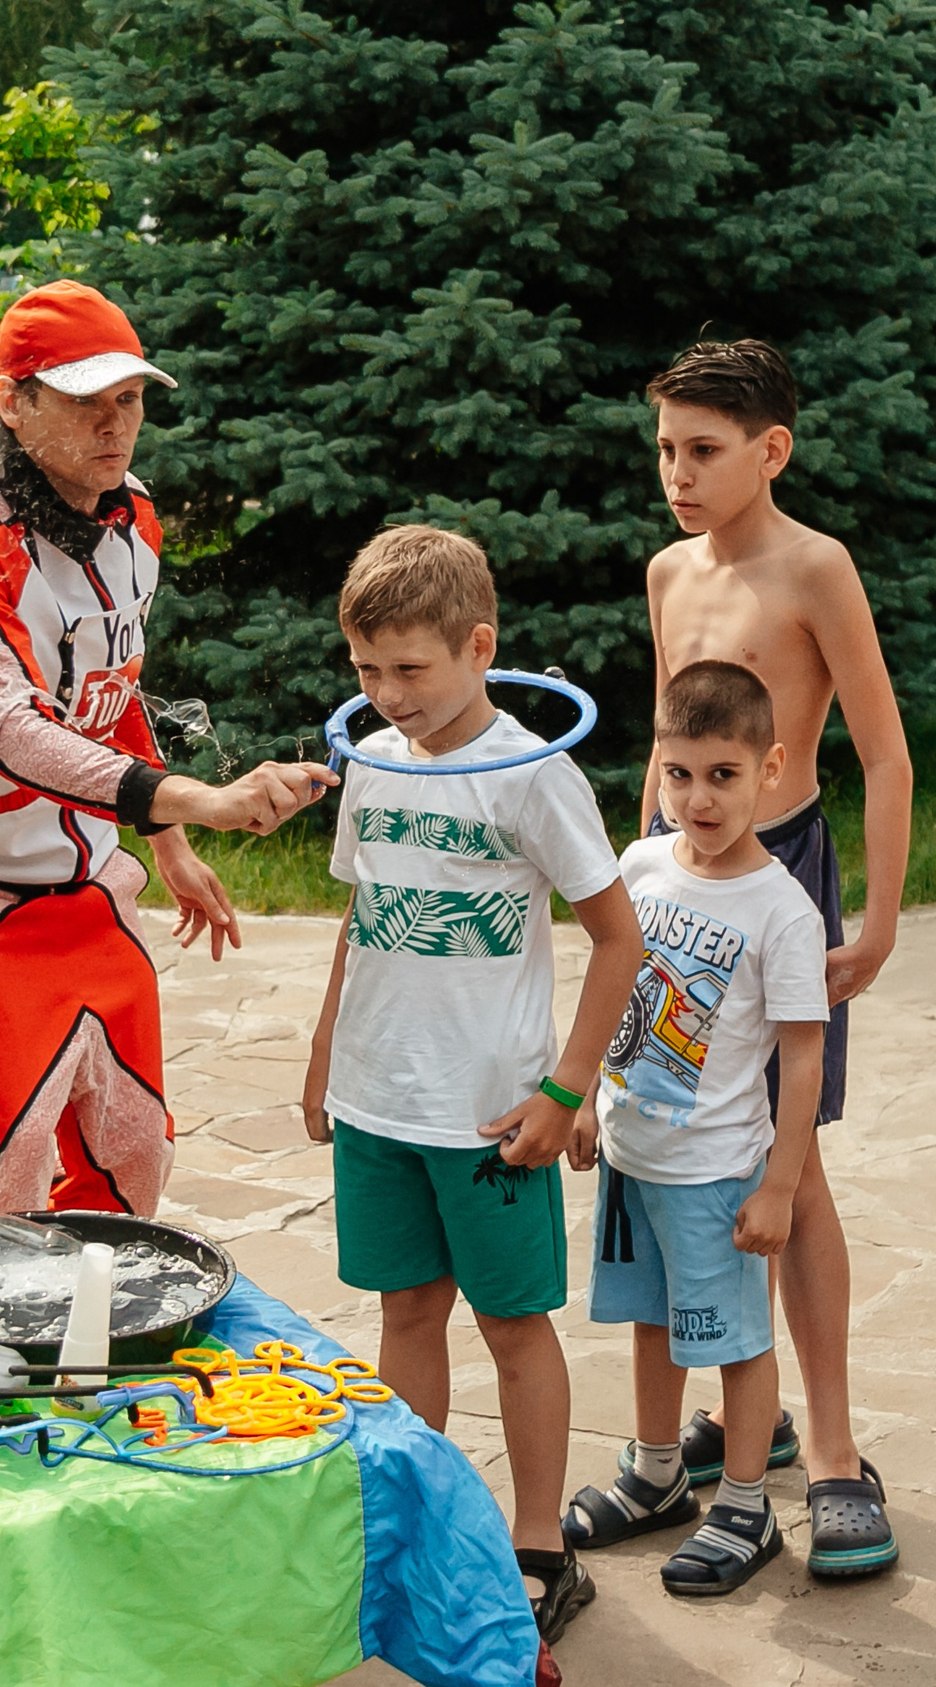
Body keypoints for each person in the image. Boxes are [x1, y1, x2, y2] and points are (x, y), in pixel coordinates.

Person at [0, 279, 335, 1213]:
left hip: (80, 874)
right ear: (12, 403)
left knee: (135, 1152)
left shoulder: (131, 513)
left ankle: (103, 1348)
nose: (114, 426)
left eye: (130, 399)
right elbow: (17, 734)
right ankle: (7, 1349)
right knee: (12, 1169)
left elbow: (110, 686)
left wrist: (169, 847)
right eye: (82, 401)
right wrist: (202, 801)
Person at [300, 525, 644, 1644]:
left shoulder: (535, 778)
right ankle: (418, 1521)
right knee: (405, 1310)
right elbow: (363, 918)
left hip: (491, 1111)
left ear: (478, 647)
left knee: (510, 1323)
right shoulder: (374, 761)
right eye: (366, 670)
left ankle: (537, 1539)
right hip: (379, 1099)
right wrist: (322, 1060)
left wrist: (564, 1087)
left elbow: (618, 938)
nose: (387, 693)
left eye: (411, 667)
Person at [639, 338, 912, 1567]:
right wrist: (626, 891)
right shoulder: (665, 572)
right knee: (687, 1139)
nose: (678, 474)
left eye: (702, 450)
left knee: (788, 1165)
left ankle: (840, 1452)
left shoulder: (816, 567)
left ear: (770, 449)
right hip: (674, 890)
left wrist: (883, 919)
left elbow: (885, 751)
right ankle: (738, 1413)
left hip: (784, 878)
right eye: (664, 451)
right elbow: (667, 745)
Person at [559, 662, 838, 1594]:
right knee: (650, 1323)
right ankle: (655, 1474)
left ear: (770, 769)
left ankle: (747, 1505)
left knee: (735, 1340)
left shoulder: (781, 911)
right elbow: (622, 996)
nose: (698, 797)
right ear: (658, 767)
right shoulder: (639, 869)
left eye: (723, 774)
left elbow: (803, 1058)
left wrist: (781, 1185)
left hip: (719, 1172)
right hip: (635, 1156)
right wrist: (594, 1103)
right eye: (679, 773)